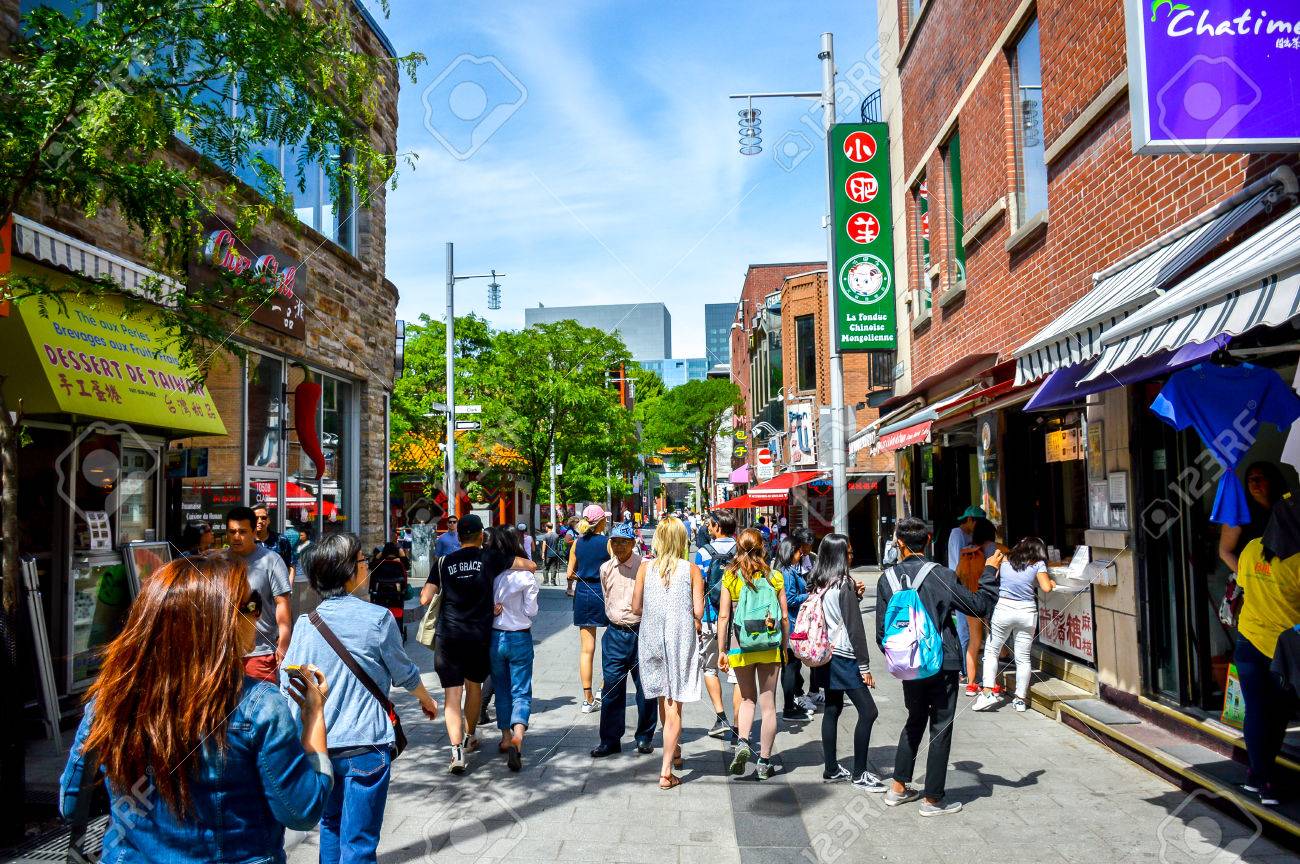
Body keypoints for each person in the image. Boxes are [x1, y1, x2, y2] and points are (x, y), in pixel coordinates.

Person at [60, 553, 332, 862]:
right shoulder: (259, 706)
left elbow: (71, 805)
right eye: (251, 605)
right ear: (218, 622)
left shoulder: (109, 700)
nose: (258, 615)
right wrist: (313, 718)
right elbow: (301, 811)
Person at [281, 534, 439, 863]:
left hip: (321, 746)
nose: (367, 566)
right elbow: (405, 673)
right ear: (349, 571)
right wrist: (426, 699)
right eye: (363, 561)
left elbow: (288, 683)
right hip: (366, 745)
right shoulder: (377, 619)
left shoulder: (306, 624)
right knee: (360, 842)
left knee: (331, 825)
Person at [878, 517, 997, 816]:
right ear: (928, 541)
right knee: (941, 727)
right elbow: (978, 606)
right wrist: (990, 570)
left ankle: (898, 788)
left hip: (909, 665)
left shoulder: (886, 580)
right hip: (942, 661)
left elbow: (882, 633)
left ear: (899, 543)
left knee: (914, 719)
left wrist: (904, 655)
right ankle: (933, 799)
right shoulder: (940, 574)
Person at [419, 514, 536, 774]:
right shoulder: (489, 558)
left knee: (452, 695)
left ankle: (456, 752)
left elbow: (425, 598)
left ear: (457, 536)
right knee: (473, 688)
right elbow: (528, 565)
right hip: (477, 636)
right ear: (481, 535)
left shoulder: (443, 562)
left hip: (448, 636)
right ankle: (470, 735)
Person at [1232, 493, 1300, 806]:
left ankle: (1257, 776)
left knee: (1258, 711)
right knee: (1279, 713)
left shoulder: (1250, 548)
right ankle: (1267, 782)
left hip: (1247, 640)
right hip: (1284, 651)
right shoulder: (1296, 561)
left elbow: (1243, 585)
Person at [633, 516, 704, 790]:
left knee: (664, 699)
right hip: (679, 638)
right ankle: (665, 771)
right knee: (675, 703)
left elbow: (636, 606)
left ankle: (673, 750)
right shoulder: (691, 569)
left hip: (650, 637)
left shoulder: (644, 568)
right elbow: (698, 611)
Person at [812, 534, 883, 789]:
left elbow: (837, 617)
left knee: (832, 709)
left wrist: (857, 598)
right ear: (839, 556)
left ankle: (831, 768)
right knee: (869, 711)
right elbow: (854, 629)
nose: (852, 556)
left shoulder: (821, 582)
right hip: (845, 656)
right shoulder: (844, 584)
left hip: (826, 654)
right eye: (849, 553)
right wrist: (864, 667)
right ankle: (860, 772)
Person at [718, 528, 789, 780]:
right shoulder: (775, 577)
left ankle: (743, 742)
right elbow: (783, 617)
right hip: (769, 646)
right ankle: (764, 762)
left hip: (741, 645)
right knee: (768, 705)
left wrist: (722, 650)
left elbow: (724, 616)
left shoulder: (730, 576)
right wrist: (785, 646)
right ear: (762, 548)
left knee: (747, 699)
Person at [592, 523, 657, 757]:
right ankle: (609, 740)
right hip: (614, 633)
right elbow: (606, 596)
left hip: (641, 631)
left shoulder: (646, 567)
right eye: (615, 541)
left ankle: (645, 737)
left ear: (632, 543)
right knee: (611, 688)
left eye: (623, 541)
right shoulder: (605, 568)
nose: (618, 545)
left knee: (646, 688)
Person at [973, 537, 1055, 713]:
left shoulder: (1005, 559)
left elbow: (992, 579)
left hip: (1003, 609)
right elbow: (1046, 588)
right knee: (1023, 657)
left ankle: (987, 692)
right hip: (1027, 612)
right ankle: (1020, 699)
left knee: (991, 651)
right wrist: (1052, 582)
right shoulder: (1038, 563)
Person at [487, 526, 540, 772]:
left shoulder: (492, 574)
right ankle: (519, 736)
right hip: (520, 636)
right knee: (521, 690)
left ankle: (506, 736)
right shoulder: (526, 576)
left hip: (496, 637)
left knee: (501, 689)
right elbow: (532, 611)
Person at [227, 506, 293, 683]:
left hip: (260, 653)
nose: (236, 537)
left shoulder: (271, 560)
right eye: (232, 531)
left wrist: (284, 641)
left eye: (242, 531)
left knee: (260, 707)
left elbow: (282, 603)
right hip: (224, 654)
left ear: (253, 531)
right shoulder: (219, 562)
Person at [695, 512, 739, 739]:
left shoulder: (703, 553)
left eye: (710, 525)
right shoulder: (742, 551)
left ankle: (721, 717)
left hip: (711, 619)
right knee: (739, 674)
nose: (707, 528)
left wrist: (696, 617)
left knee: (710, 668)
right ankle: (740, 727)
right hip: (739, 618)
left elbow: (698, 587)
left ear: (716, 527)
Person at [568, 504, 611, 713]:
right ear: (601, 521)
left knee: (587, 649)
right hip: (603, 593)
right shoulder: (607, 543)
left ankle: (587, 698)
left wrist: (583, 574)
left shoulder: (577, 543)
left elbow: (569, 574)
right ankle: (604, 688)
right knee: (611, 644)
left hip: (583, 593)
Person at [1219, 461, 1286, 573]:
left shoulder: (1287, 508)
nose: (1255, 483)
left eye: (1260, 477)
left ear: (1272, 480)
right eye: (1251, 479)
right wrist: (1247, 579)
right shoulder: (1238, 512)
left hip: (1283, 578)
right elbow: (1225, 552)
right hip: (1251, 581)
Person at [958, 517, 1000, 696]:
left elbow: (958, 574)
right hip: (989, 598)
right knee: (992, 641)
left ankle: (971, 684)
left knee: (973, 642)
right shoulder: (993, 548)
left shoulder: (967, 551)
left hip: (970, 599)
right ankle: (992, 684)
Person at [947, 505, 985, 684]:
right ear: (969, 520)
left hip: (971, 587)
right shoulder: (957, 534)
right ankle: (964, 670)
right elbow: (957, 564)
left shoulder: (970, 536)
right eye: (977, 521)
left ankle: (968, 669)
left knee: (971, 632)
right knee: (964, 630)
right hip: (961, 587)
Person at [775, 538, 812, 720]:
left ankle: (792, 703)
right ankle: (789, 707)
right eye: (799, 552)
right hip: (789, 625)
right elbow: (789, 600)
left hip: (789, 625)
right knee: (790, 666)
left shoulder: (784, 570)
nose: (802, 555)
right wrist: (809, 595)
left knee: (792, 666)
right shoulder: (787, 573)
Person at [369, 542, 410, 640]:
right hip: (397, 596)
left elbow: (371, 568)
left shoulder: (379, 564)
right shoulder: (399, 564)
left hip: (379, 595)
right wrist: (403, 556)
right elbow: (407, 568)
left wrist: (378, 556)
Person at [252, 503, 295, 572]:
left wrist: (288, 583)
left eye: (263, 518)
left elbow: (291, 566)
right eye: (256, 518)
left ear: (269, 520)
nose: (259, 521)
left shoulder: (281, 540)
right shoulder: (246, 542)